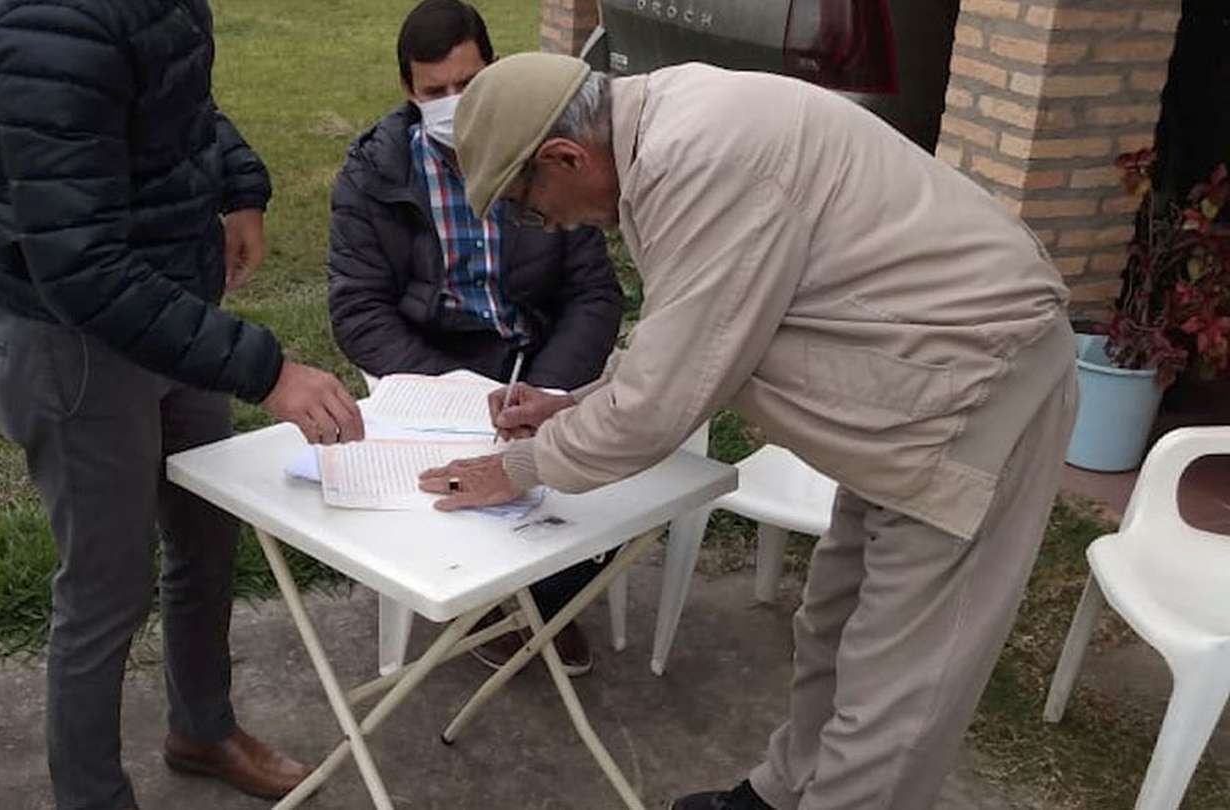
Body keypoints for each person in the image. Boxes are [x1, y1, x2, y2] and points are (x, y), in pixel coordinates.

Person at [421, 53, 1079, 810]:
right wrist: (575, 406)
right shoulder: (661, 138)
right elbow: (694, 333)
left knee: (899, 692)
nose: (549, 224)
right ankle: (780, 794)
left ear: (565, 156)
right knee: (831, 624)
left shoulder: (701, 159)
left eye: (530, 207)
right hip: (903, 393)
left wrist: (523, 465)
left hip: (974, 398)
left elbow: (662, 402)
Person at [0, 2, 364, 808]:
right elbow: (79, 266)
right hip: (74, 341)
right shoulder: (44, 22)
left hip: (173, 306)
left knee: (205, 539)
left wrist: (239, 185)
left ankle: (201, 728)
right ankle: (92, 795)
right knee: (106, 592)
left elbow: (175, 101)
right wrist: (268, 370)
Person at [327, 1, 624, 675]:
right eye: (435, 92)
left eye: (467, 83)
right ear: (408, 91)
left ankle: (547, 596)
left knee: (598, 466)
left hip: (537, 358)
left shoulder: (547, 151)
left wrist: (548, 386)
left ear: (494, 68)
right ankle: (493, 595)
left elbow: (593, 292)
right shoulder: (373, 177)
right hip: (438, 366)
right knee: (464, 467)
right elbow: (358, 311)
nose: (453, 103)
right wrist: (458, 392)